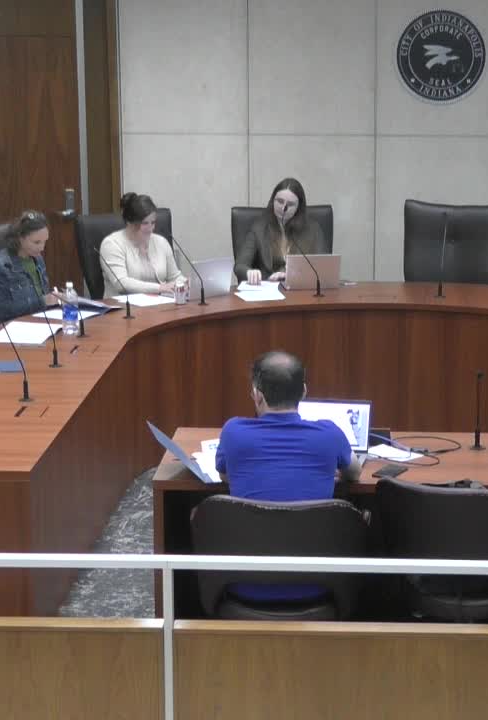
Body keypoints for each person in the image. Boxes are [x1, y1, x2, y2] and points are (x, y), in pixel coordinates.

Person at [214, 350, 363, 603]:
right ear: (303, 392)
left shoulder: (233, 431)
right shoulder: (329, 433)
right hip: (318, 586)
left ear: (257, 395)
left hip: (243, 584)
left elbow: (225, 475)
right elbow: (355, 473)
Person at [233, 178, 328, 285]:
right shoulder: (259, 227)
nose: (283, 208)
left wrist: (292, 276)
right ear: (272, 200)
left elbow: (324, 267)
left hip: (300, 289)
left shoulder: (313, 229)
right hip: (268, 289)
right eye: (280, 201)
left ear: (299, 207)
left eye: (290, 204)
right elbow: (240, 266)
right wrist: (250, 273)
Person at [99, 192, 184, 298]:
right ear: (129, 222)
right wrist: (160, 288)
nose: (150, 228)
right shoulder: (111, 244)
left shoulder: (161, 242)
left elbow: (175, 277)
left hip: (161, 304)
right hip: (124, 306)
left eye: (153, 222)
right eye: (145, 223)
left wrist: (184, 284)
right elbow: (121, 283)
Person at [0, 210, 59, 326]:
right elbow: (1, 310)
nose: (42, 248)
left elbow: (43, 295)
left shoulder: (37, 258)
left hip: (38, 321)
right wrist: (43, 302)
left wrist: (55, 299)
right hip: (10, 326)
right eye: (37, 242)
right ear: (20, 238)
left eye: (45, 242)